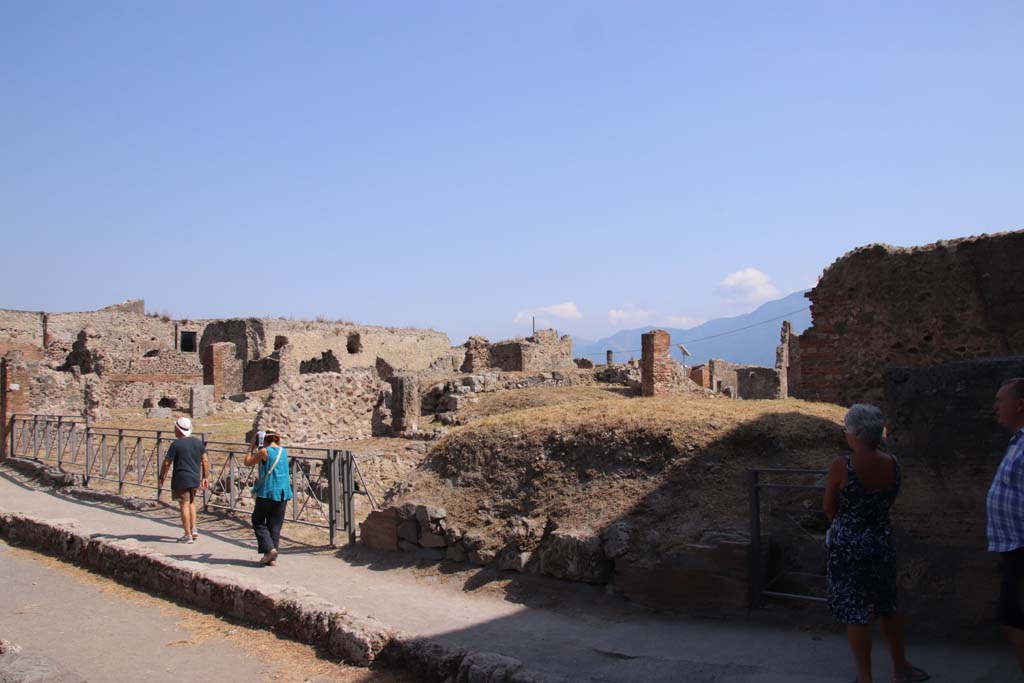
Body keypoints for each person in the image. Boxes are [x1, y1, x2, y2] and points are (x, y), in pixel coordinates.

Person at [823, 404, 928, 683]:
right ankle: (900, 667)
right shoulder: (893, 463)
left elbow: (829, 507)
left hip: (848, 545)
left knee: (856, 612)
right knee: (887, 605)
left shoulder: (842, 465)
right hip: (881, 539)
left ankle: (865, 678)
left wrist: (847, 527)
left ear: (855, 434)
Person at [987, 377, 1024, 670]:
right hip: (1014, 546)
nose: (995, 406)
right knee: (1013, 615)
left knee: (1015, 616)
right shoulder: (1017, 441)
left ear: (1020, 405)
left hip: (1022, 547)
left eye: (1001, 400)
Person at [157, 417, 209, 544]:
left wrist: (161, 477)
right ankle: (193, 528)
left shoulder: (176, 444)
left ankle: (187, 535)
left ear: (179, 430)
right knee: (191, 502)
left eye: (175, 427)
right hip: (195, 478)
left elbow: (166, 462)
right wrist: (205, 477)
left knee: (184, 504)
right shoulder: (198, 443)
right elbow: (205, 461)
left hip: (181, 478)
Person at [244, 428, 292, 565]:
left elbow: (247, 462)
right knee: (275, 525)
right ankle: (272, 558)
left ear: (264, 439)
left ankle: (270, 549)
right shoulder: (283, 451)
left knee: (257, 520)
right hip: (283, 492)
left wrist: (251, 447)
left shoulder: (264, 451)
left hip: (268, 492)